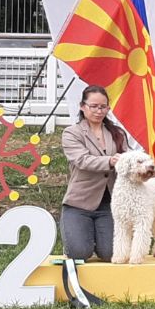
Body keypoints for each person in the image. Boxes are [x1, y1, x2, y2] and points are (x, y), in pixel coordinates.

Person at [60, 85, 129, 261]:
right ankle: (76, 238)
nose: (99, 111)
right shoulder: (71, 133)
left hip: (111, 203)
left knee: (112, 254)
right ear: (82, 106)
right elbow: (82, 160)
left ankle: (98, 238)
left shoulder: (117, 133)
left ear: (108, 108)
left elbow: (128, 159)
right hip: (79, 203)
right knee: (79, 254)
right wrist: (110, 161)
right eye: (94, 106)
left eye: (103, 107)